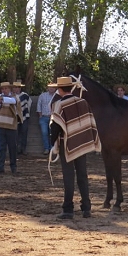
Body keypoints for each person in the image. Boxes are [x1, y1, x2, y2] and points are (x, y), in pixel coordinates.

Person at [49, 76, 101, 219]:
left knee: (68, 176)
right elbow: (89, 121)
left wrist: (52, 143)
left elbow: (55, 126)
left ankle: (68, 209)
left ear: (60, 89)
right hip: (81, 143)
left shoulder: (59, 104)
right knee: (82, 175)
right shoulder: (83, 102)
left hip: (67, 144)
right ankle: (86, 208)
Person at [0, 81, 23, 174]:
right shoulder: (0, 98)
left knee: (12, 148)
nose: (4, 90)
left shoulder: (14, 96)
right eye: (3, 89)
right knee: (2, 148)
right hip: (1, 126)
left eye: (6, 88)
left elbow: (13, 101)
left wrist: (1, 99)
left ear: (9, 89)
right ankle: (0, 168)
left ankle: (13, 168)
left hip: (11, 127)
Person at [37, 83, 57, 155]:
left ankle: (53, 148)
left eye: (53, 87)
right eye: (50, 87)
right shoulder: (42, 95)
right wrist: (40, 115)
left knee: (53, 133)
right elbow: (39, 105)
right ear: (47, 88)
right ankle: (46, 149)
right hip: (44, 117)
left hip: (53, 118)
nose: (51, 89)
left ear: (55, 88)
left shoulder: (57, 96)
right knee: (44, 133)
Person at [13, 80, 31, 155]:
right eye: (15, 87)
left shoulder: (25, 95)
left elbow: (29, 104)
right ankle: (17, 149)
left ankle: (23, 149)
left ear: (20, 88)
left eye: (18, 87)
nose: (16, 89)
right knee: (16, 134)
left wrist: (26, 112)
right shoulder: (11, 96)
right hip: (15, 117)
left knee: (24, 132)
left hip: (24, 116)